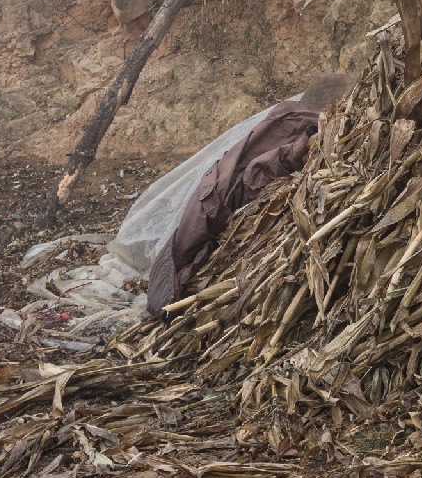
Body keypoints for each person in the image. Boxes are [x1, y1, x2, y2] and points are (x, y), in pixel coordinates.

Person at [145, 72, 353, 317]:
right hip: (217, 195)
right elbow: (258, 174)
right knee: (189, 245)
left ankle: (170, 298)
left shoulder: (290, 114)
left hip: (218, 190)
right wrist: (304, 145)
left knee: (190, 244)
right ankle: (169, 299)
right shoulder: (298, 123)